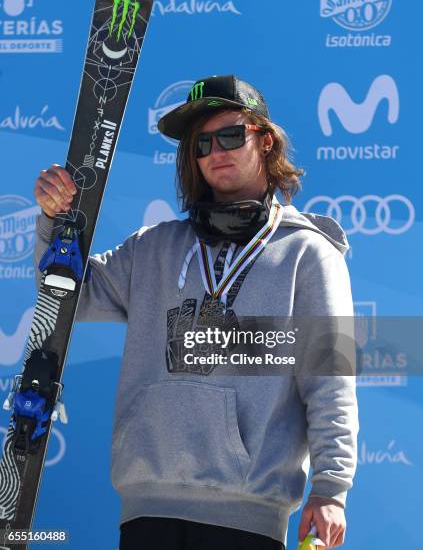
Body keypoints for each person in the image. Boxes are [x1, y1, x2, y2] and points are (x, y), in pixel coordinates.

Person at [34, 74, 359, 550]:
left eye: (230, 136)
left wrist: (331, 489)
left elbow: (331, 379)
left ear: (265, 140)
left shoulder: (308, 254)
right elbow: (68, 299)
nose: (215, 152)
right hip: (147, 510)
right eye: (201, 144)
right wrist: (52, 221)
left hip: (248, 517)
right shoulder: (155, 246)